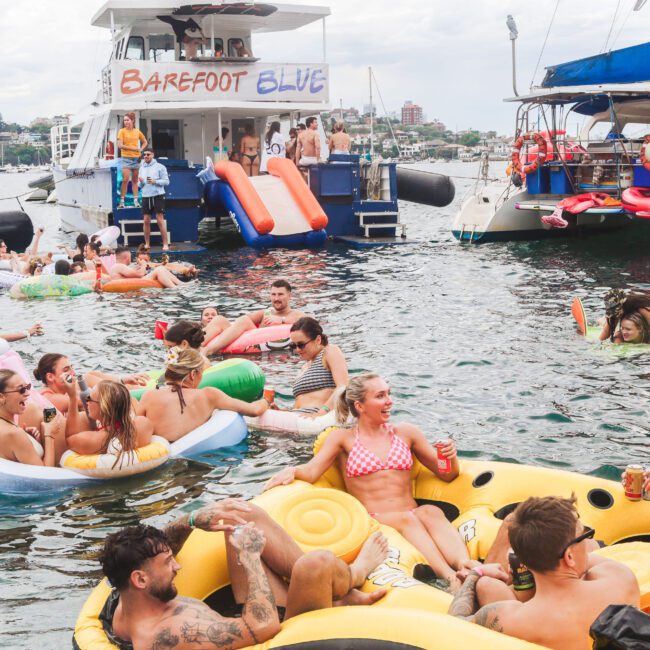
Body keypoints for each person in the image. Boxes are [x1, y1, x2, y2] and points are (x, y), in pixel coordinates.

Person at [265, 372, 472, 592]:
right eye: (380, 396)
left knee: (430, 511)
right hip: (375, 518)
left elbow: (446, 474)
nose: (389, 401)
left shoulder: (406, 433)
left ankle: (466, 566)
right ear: (360, 406)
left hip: (411, 512)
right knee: (407, 520)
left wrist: (449, 458)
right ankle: (450, 578)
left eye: (389, 394)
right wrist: (292, 470)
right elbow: (313, 470)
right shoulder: (343, 439)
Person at [98, 499, 388, 650]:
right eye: (168, 563)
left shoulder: (125, 597)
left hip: (245, 619)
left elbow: (154, 549)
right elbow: (261, 628)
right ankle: (356, 573)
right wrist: (249, 557)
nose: (178, 567)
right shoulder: (168, 634)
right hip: (273, 635)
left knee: (237, 515)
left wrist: (191, 519)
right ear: (140, 579)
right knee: (316, 565)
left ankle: (331, 595)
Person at [447, 496, 640, 650]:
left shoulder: (513, 619)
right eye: (584, 536)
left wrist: (476, 574)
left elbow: (453, 624)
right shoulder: (620, 579)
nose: (587, 542)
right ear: (569, 556)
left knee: (479, 585)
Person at [137, 349, 270, 442]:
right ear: (193, 374)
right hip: (197, 460)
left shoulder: (149, 396)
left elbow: (135, 427)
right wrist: (267, 400)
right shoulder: (209, 395)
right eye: (202, 373)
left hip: (163, 459)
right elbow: (255, 410)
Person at [202, 279, 305, 356]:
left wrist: (282, 320)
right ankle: (196, 346)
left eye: (280, 294)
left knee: (244, 321)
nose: (276, 298)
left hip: (260, 348)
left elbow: (309, 323)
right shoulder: (266, 313)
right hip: (247, 339)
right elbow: (239, 322)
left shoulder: (296, 314)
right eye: (273, 294)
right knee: (219, 319)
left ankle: (208, 350)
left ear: (289, 295)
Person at [64, 379, 153, 462]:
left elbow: (70, 438)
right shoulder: (144, 424)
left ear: (103, 408)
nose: (86, 401)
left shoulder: (94, 440)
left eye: (90, 398)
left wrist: (72, 398)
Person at [34, 353, 148, 415]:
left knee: (88, 376)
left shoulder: (65, 388)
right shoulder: (49, 397)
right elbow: (92, 399)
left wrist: (122, 380)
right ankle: (147, 395)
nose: (73, 373)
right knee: (128, 399)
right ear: (50, 377)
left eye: (71, 367)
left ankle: (126, 382)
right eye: (66, 370)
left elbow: (88, 379)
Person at [0, 369, 58, 467]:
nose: (27, 393)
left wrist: (28, 439)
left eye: (27, 387)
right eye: (21, 390)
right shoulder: (14, 434)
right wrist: (49, 434)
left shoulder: (9, 428)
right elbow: (45, 476)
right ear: (1, 397)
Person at [138, 148, 170, 250]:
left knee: (160, 220)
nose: (146, 156)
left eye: (148, 154)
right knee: (146, 220)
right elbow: (140, 185)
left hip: (157, 195)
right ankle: (147, 243)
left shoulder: (160, 167)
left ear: (153, 155)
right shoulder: (141, 167)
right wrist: (142, 182)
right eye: (144, 154)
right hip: (145, 196)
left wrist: (155, 181)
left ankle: (165, 244)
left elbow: (166, 181)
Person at [109, 247, 181, 289]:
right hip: (127, 285)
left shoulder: (116, 266)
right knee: (159, 270)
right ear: (126, 258)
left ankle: (180, 284)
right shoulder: (119, 266)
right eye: (130, 257)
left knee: (161, 269)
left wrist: (139, 267)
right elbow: (140, 274)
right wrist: (143, 264)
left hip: (127, 284)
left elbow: (132, 274)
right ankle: (174, 288)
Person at [117, 112, 147, 209]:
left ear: (132, 121)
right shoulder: (121, 131)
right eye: (124, 120)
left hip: (136, 158)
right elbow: (120, 145)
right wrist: (134, 149)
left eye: (127, 120)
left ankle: (136, 201)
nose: (126, 122)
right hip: (126, 158)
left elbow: (145, 142)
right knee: (125, 179)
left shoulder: (137, 131)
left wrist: (141, 149)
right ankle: (122, 201)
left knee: (135, 180)